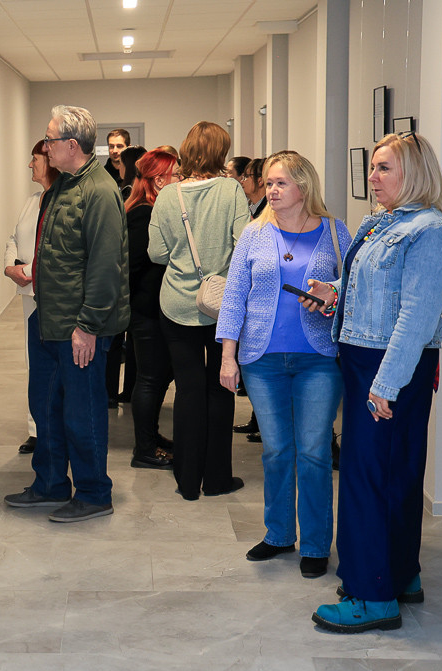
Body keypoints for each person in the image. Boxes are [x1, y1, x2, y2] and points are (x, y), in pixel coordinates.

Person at [305, 132, 442, 633]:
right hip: (365, 360)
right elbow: (375, 293)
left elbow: (417, 316)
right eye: (372, 167)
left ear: (414, 173)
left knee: (368, 481)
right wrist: (333, 293)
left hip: (390, 369)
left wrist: (385, 385)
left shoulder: (431, 232)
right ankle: (398, 574)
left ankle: (372, 597)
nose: (373, 177)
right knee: (390, 475)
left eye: (384, 168)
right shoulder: (379, 224)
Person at [215, 151, 350, 579]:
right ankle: (278, 534)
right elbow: (234, 295)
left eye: (280, 184)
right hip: (263, 360)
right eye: (269, 183)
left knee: (312, 452)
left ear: (303, 187)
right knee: (276, 451)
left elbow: (355, 283)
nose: (270, 191)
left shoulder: (334, 231)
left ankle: (313, 543)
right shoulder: (253, 234)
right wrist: (227, 356)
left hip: (319, 361)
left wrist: (331, 290)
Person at [4, 105, 130, 523]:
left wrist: (88, 326)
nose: (45, 146)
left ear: (71, 145)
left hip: (79, 325)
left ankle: (94, 493)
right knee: (45, 406)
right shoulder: (61, 186)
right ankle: (51, 483)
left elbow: (105, 265)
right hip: (47, 316)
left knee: (82, 411)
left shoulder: (99, 191)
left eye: (50, 139)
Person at [147, 121, 249, 500]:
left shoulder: (167, 196)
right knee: (220, 388)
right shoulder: (231, 190)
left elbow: (155, 253)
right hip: (222, 302)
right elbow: (244, 244)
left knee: (188, 391)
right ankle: (217, 478)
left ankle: (187, 480)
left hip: (176, 303)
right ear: (220, 153)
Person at [3, 140, 60, 455]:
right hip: (28, 291)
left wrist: (28, 268)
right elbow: (14, 236)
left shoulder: (61, 202)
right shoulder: (32, 201)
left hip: (51, 293)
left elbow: (54, 251)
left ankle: (53, 428)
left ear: (49, 161)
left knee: (52, 365)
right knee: (33, 364)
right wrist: (10, 267)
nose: (30, 165)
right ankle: (36, 430)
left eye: (34, 159)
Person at [126, 148, 180, 468]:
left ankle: (150, 436)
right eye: (177, 175)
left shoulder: (155, 209)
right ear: (159, 181)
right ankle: (144, 449)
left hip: (155, 308)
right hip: (146, 310)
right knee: (150, 378)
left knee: (160, 376)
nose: (183, 180)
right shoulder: (143, 213)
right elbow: (131, 266)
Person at [105, 145, 147, 408]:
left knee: (122, 341)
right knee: (128, 343)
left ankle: (118, 391)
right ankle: (123, 390)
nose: (116, 168)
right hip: (131, 284)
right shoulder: (126, 193)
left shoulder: (131, 196)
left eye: (120, 164)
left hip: (129, 284)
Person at [231, 155, 268, 441]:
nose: (242, 182)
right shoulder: (252, 214)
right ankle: (259, 422)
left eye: (246, 177)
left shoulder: (266, 215)